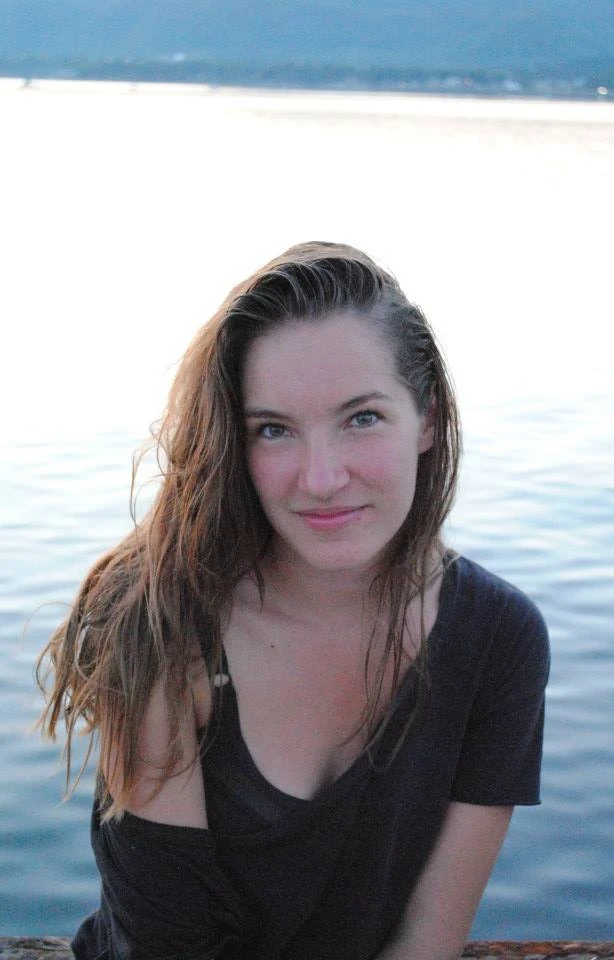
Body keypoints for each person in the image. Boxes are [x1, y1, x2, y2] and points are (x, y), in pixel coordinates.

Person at [37, 241, 549, 960]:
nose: (320, 478)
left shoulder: (497, 636)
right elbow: (166, 947)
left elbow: (427, 940)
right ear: (233, 442)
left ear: (427, 419)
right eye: (273, 430)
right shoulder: (162, 617)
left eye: (361, 418)